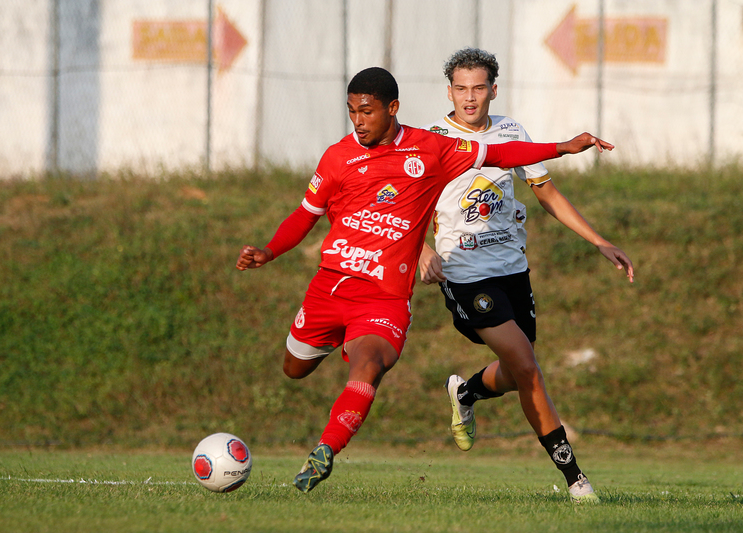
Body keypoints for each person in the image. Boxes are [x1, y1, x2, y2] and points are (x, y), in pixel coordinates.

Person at [236, 66, 614, 493]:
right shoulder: (338, 156)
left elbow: (500, 154)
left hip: (386, 298)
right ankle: (448, 386)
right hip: (332, 287)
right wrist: (268, 251)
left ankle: (325, 451)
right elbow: (306, 214)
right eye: (351, 112)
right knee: (293, 369)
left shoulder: (430, 148)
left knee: (371, 366)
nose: (357, 121)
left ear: (392, 109)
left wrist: (563, 147)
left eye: (366, 111)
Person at [419, 48, 634, 503]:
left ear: (493, 89)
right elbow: (403, 203)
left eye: (479, 88)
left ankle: (466, 393)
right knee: (529, 367)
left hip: (513, 269)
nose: (470, 98)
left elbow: (546, 193)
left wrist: (599, 241)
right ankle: (577, 480)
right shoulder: (432, 139)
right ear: (450, 91)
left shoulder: (511, 131)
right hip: (464, 273)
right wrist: (420, 250)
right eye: (461, 88)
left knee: (519, 372)